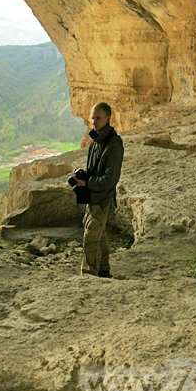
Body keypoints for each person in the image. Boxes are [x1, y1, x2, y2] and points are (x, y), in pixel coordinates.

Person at [73, 102, 124, 278]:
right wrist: (84, 177)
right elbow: (95, 170)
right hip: (92, 197)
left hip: (102, 199)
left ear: (108, 119)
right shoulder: (96, 141)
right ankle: (103, 271)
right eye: (93, 118)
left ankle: (88, 276)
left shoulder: (114, 144)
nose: (94, 122)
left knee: (90, 238)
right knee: (98, 235)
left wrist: (87, 184)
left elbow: (110, 180)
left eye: (98, 118)